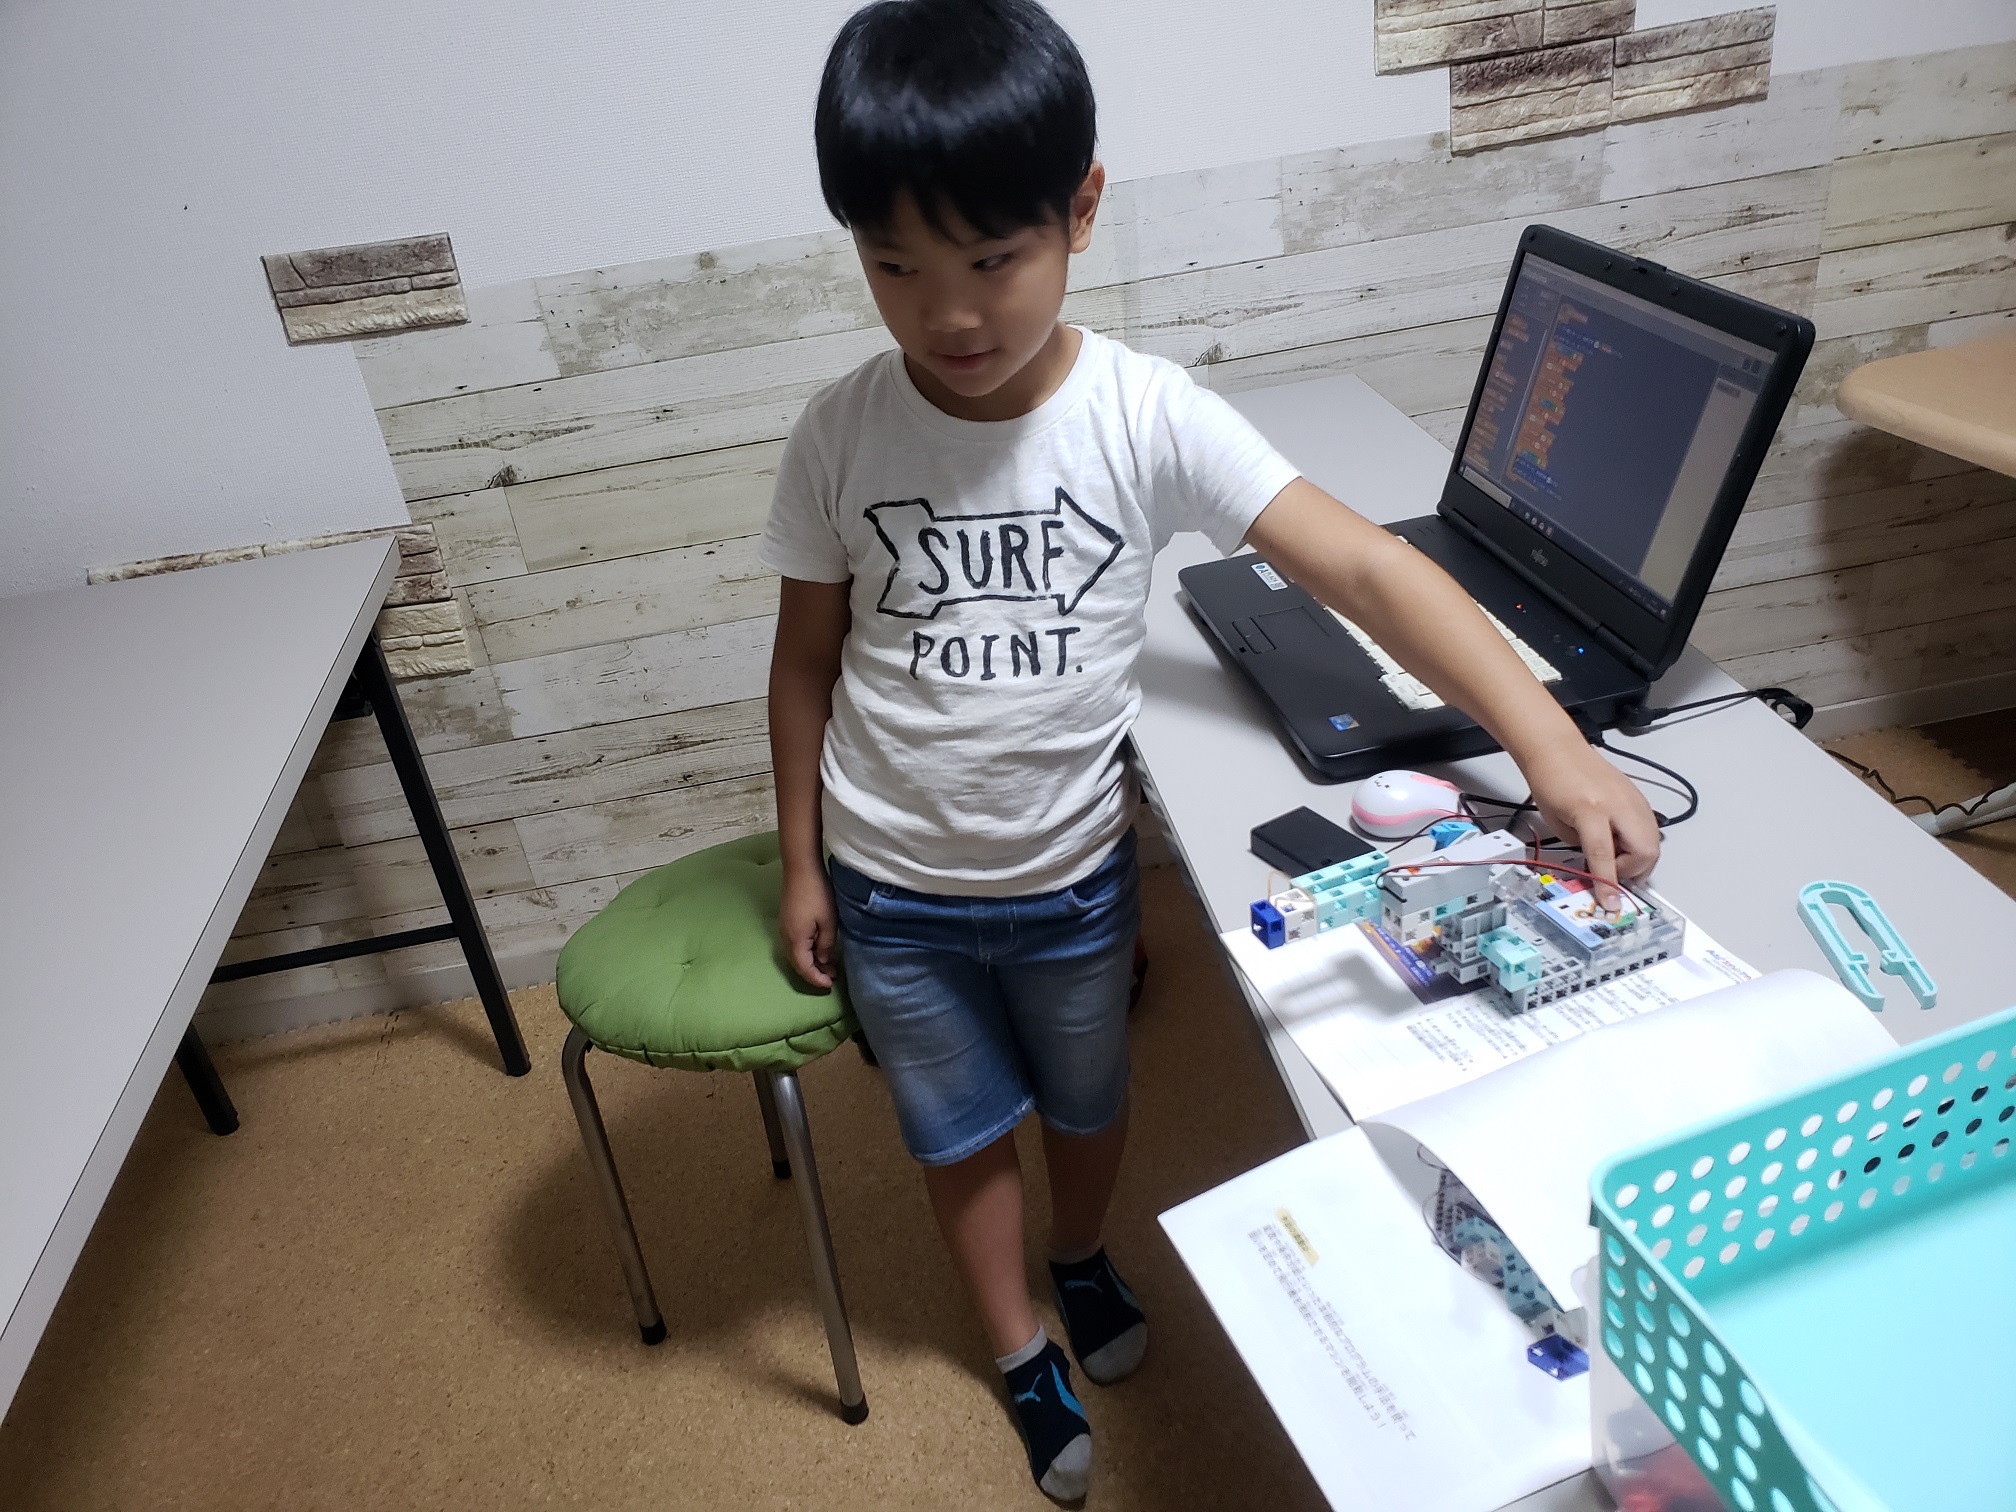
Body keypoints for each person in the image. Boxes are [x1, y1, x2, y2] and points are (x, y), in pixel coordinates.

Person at [759, 0, 1661, 1499]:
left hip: (1069, 880)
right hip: (893, 888)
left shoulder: (1142, 414)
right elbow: (803, 663)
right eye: (896, 266)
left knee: (1090, 1104)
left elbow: (1365, 567)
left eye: (991, 259)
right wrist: (801, 861)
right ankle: (1016, 1345)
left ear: (1081, 211)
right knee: (954, 1132)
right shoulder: (838, 434)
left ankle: (1079, 1253)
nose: (949, 314)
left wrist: (1554, 750)